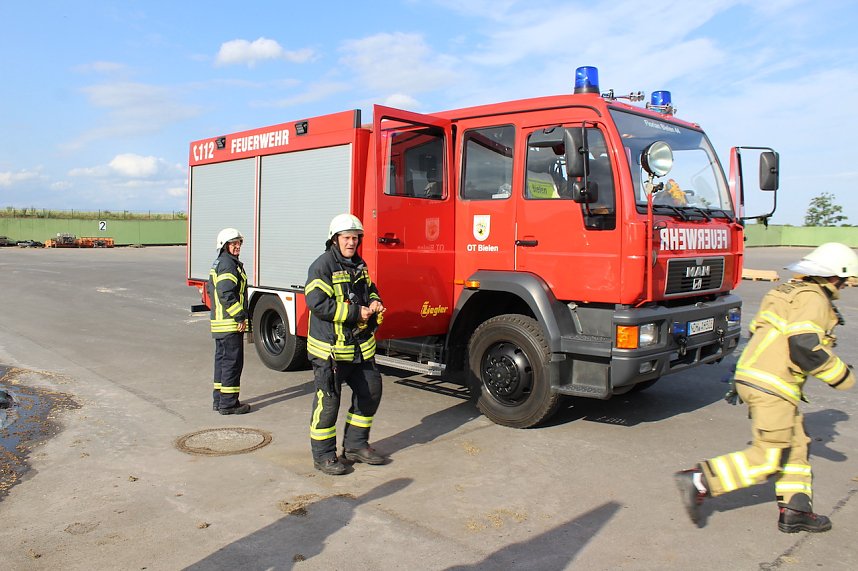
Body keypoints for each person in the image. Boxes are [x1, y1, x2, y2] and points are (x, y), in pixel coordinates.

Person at [675, 242, 857, 533]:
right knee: (767, 458)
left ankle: (796, 509)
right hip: (774, 385)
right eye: (845, 281)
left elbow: (758, 332)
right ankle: (700, 480)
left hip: (759, 378)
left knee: (796, 446)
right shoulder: (814, 300)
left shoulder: (785, 291)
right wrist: (841, 376)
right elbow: (804, 346)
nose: (845, 286)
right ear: (835, 276)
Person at [305, 213, 386, 475]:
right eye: (346, 237)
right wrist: (355, 313)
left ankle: (355, 446)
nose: (351, 242)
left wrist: (374, 301)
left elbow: (369, 289)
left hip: (359, 348)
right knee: (329, 403)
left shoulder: (358, 265)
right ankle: (324, 456)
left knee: (371, 391)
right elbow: (316, 304)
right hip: (330, 351)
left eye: (355, 238)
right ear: (335, 239)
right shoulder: (322, 267)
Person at [207, 227, 251, 415]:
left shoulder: (219, 263)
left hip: (220, 324)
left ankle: (219, 400)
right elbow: (226, 293)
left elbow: (212, 291)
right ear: (224, 246)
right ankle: (229, 404)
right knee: (232, 363)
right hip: (229, 324)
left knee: (222, 362)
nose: (237, 246)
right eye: (233, 243)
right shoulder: (228, 264)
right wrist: (240, 316)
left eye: (238, 243)